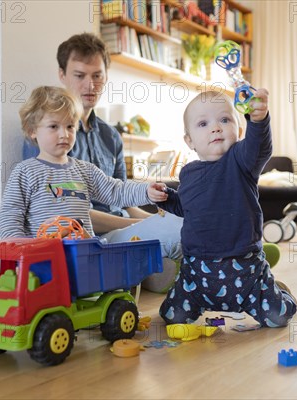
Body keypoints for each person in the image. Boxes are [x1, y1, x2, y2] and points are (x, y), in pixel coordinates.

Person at [22, 32, 182, 263]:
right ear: (62, 75)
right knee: (174, 232)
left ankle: (156, 263)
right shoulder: (48, 138)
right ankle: (153, 264)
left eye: (97, 75)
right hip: (84, 239)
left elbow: (122, 198)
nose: (90, 85)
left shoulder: (111, 136)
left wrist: (152, 217)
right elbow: (67, 214)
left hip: (120, 230)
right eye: (79, 75)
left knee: (184, 222)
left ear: (106, 76)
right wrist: (140, 224)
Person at [151, 89, 297, 328]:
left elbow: (259, 147)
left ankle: (279, 293)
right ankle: (195, 301)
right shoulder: (187, 173)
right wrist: (165, 198)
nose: (215, 128)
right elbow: (186, 207)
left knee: (278, 316)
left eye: (225, 120)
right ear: (189, 140)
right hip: (197, 273)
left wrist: (258, 121)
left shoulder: (241, 160)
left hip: (246, 271)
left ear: (239, 131)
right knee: (172, 317)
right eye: (203, 123)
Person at [0, 86, 166, 238]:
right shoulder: (25, 172)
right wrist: (19, 246)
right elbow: (10, 214)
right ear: (32, 130)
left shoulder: (85, 170)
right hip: (44, 257)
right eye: (53, 127)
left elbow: (117, 191)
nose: (64, 134)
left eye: (70, 126)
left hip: (85, 253)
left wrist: (146, 192)